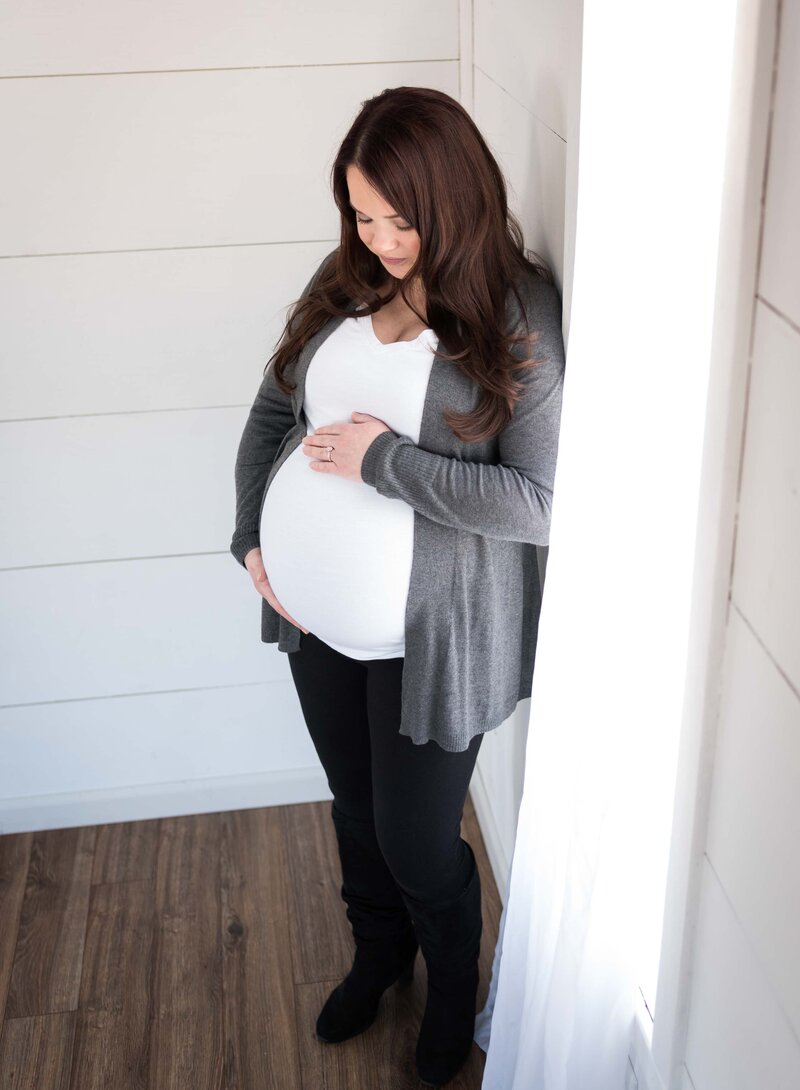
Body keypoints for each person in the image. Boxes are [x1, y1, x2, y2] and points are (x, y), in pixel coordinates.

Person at [230, 86, 565, 1087]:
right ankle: (378, 956)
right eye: (359, 213)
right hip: (313, 617)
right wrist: (254, 542)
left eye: (396, 217)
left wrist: (383, 462)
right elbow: (265, 419)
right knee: (351, 808)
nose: (376, 238)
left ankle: (453, 992)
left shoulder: (513, 311)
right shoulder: (342, 282)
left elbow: (535, 503)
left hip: (433, 638)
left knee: (418, 842)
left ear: (451, 195)